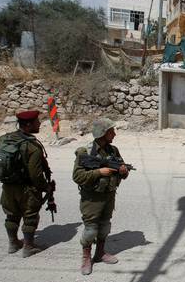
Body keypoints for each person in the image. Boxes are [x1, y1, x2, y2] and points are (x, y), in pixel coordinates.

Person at [73, 118, 130, 275]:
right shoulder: (85, 151)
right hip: (91, 198)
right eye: (112, 131)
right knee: (91, 229)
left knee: (105, 226)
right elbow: (77, 176)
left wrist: (124, 172)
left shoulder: (113, 150)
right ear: (103, 133)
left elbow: (121, 170)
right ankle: (86, 258)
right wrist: (99, 172)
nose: (115, 134)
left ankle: (100, 253)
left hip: (108, 195)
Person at [0, 110, 52, 258]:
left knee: (11, 215)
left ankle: (13, 243)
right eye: (37, 121)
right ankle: (28, 247)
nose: (39, 124)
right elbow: (35, 174)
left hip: (8, 186)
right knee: (30, 216)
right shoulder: (32, 146)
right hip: (26, 189)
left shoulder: (4, 139)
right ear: (28, 125)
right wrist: (45, 187)